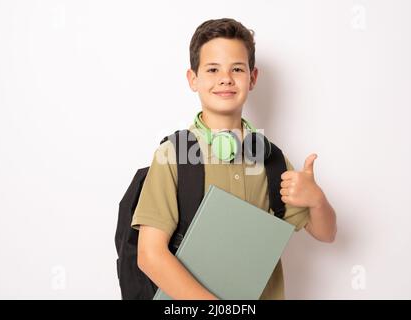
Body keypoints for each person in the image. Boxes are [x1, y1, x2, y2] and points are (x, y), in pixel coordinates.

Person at [131, 18, 337, 300]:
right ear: (194, 79)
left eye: (237, 69)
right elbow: (150, 255)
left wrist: (317, 200)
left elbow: (326, 233)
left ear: (252, 78)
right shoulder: (173, 155)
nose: (225, 78)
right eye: (213, 69)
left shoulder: (271, 158)